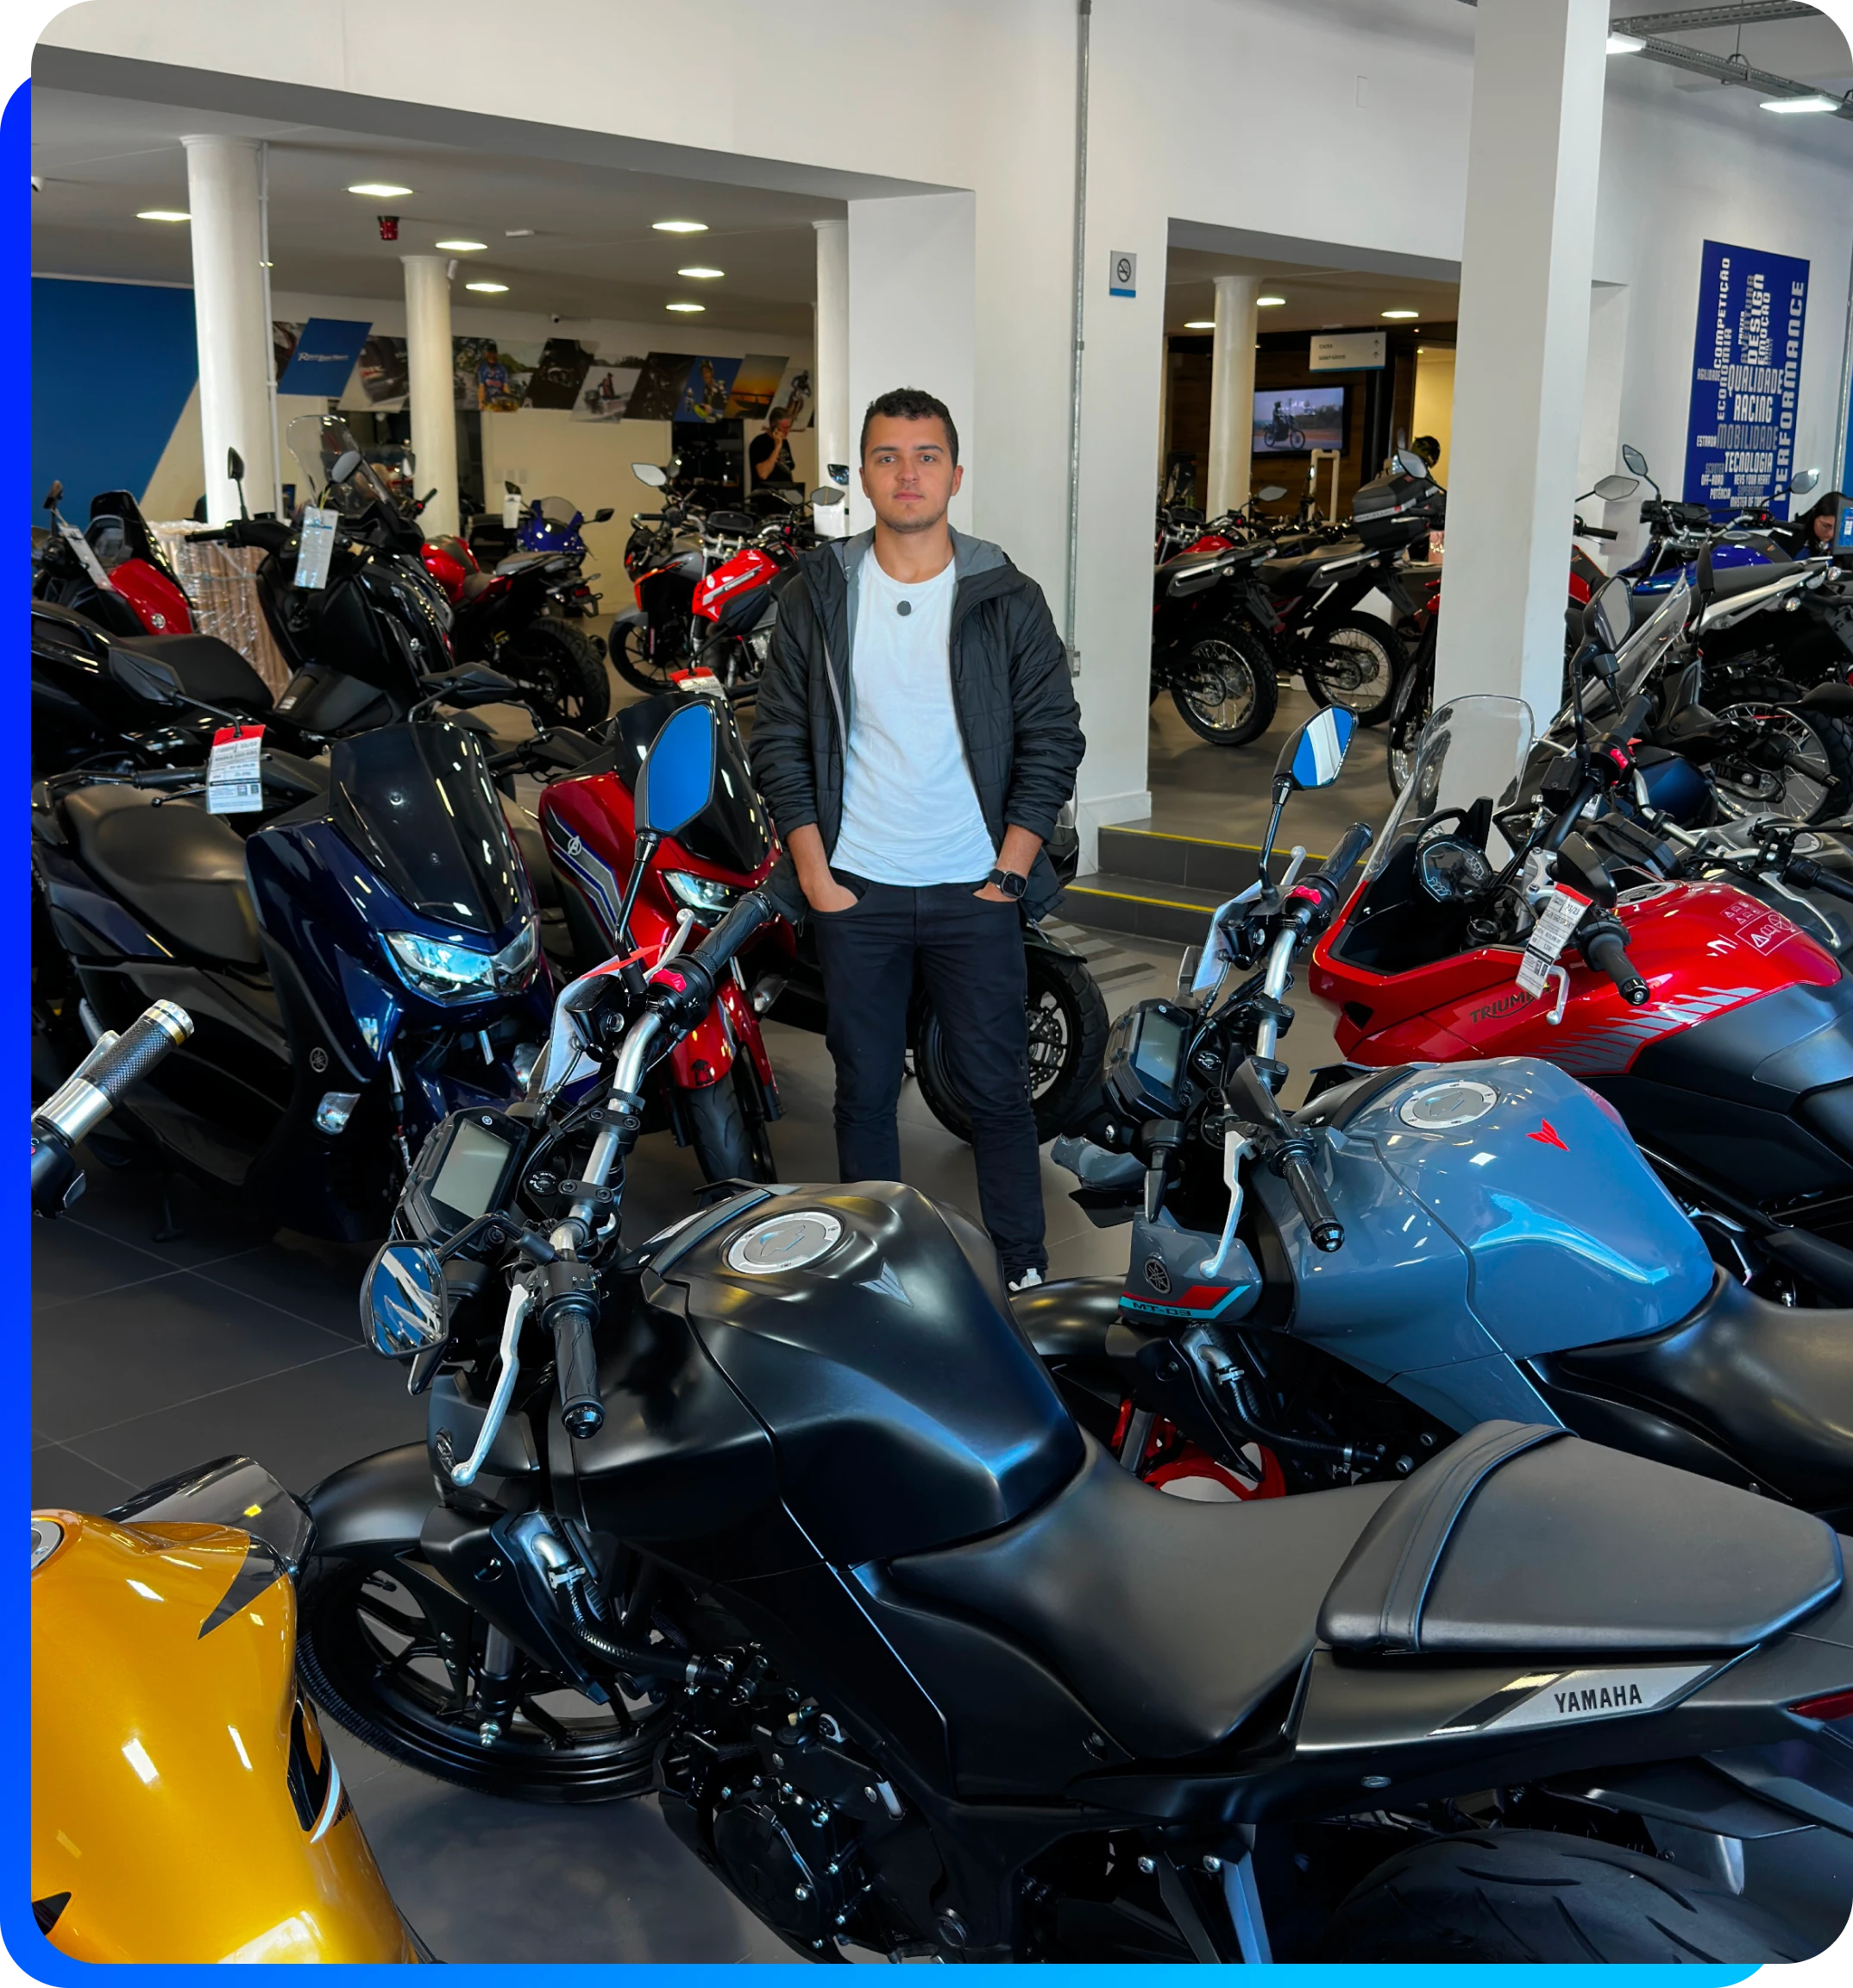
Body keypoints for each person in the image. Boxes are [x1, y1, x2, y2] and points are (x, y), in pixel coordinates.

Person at [749, 386, 1084, 1291]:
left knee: (997, 1089)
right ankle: (877, 1277)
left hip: (974, 887)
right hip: (855, 886)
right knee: (863, 1091)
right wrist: (815, 876)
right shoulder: (820, 595)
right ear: (863, 476)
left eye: (926, 456)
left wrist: (1010, 872)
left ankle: (1023, 1269)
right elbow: (778, 737)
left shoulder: (1006, 597)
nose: (908, 474)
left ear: (955, 475)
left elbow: (1053, 736)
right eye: (888, 457)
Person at [1776, 489, 1844, 558]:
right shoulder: (1786, 538)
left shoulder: (1846, 543)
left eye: (1839, 527)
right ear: (1814, 515)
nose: (1831, 534)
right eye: (1826, 526)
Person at [750, 406, 796, 488]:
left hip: (785, 491)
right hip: (767, 492)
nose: (787, 431)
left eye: (789, 427)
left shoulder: (784, 441)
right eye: (784, 428)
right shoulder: (759, 442)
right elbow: (763, 474)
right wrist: (777, 446)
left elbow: (789, 467)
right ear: (773, 426)